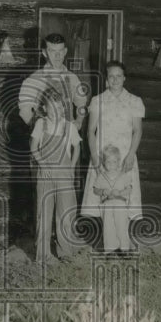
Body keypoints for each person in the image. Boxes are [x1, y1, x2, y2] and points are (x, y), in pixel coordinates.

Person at [81, 61, 144, 247]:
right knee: (103, 193)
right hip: (103, 156)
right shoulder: (97, 101)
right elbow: (90, 130)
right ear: (106, 79)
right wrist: (94, 156)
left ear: (124, 78)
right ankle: (106, 239)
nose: (115, 80)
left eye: (119, 76)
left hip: (124, 155)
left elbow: (137, 130)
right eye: (111, 76)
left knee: (124, 194)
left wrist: (131, 154)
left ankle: (124, 240)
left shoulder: (134, 101)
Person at [30, 86, 81, 263]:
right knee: (43, 213)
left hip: (64, 174)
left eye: (59, 107)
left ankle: (65, 252)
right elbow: (33, 148)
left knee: (65, 212)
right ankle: (43, 255)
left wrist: (72, 167)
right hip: (45, 173)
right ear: (44, 108)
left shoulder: (69, 126)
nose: (56, 111)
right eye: (52, 107)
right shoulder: (40, 124)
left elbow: (77, 147)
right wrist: (43, 165)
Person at [18, 33, 89, 131]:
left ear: (65, 51)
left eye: (60, 51)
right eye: (52, 51)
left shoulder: (72, 78)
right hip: (45, 140)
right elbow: (24, 111)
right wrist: (38, 131)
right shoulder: (33, 80)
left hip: (68, 138)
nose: (57, 55)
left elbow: (82, 104)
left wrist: (78, 122)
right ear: (44, 52)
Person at [90, 145, 134, 253]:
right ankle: (110, 249)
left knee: (121, 225)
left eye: (114, 162)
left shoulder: (123, 176)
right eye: (108, 162)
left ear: (118, 162)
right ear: (104, 162)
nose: (111, 164)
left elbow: (129, 189)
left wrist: (120, 192)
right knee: (108, 227)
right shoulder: (101, 176)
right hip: (107, 205)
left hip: (120, 204)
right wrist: (102, 191)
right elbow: (95, 190)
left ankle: (124, 248)